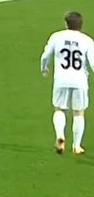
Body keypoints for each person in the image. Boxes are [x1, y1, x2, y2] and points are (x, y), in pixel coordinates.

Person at [40, 11, 94, 155]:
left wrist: (44, 68)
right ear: (81, 25)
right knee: (78, 112)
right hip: (80, 80)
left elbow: (45, 55)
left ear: (66, 24)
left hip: (61, 79)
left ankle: (60, 136)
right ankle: (76, 146)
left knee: (59, 109)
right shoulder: (87, 40)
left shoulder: (56, 36)